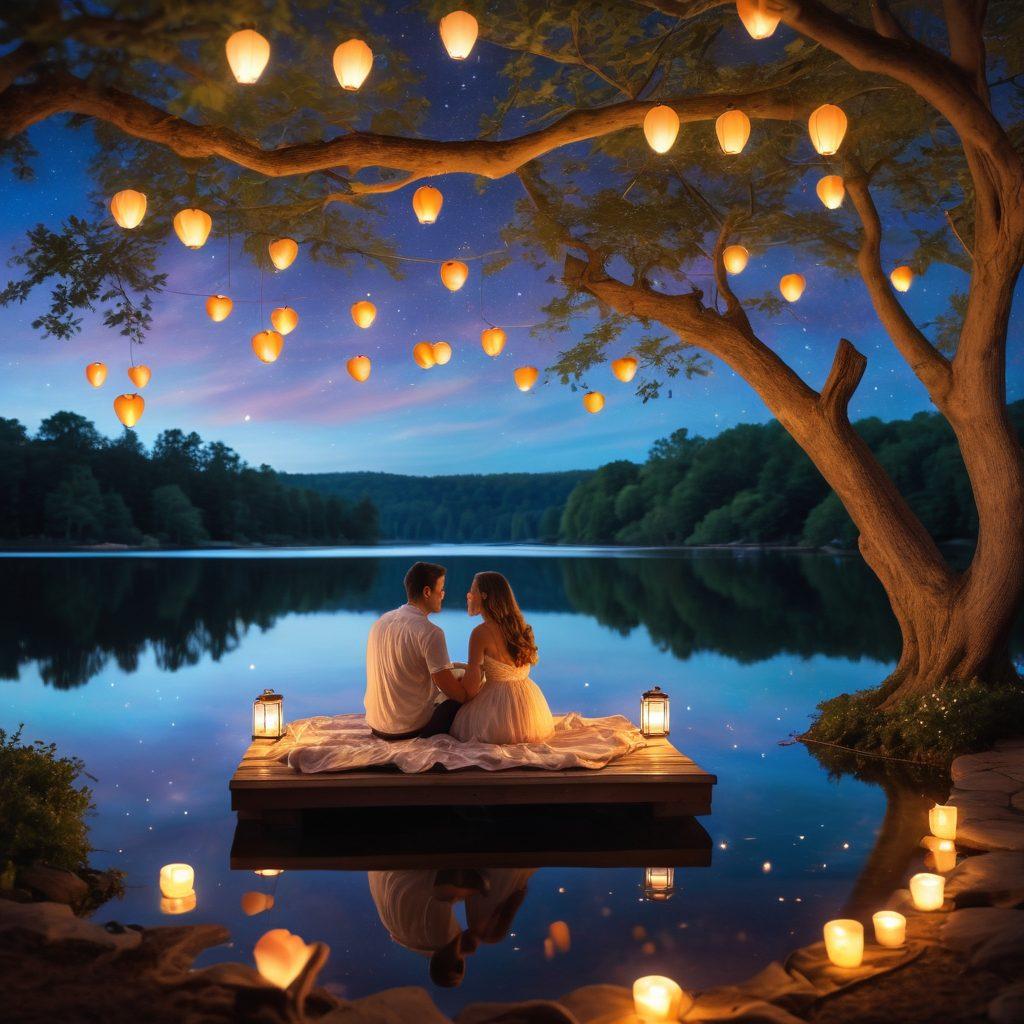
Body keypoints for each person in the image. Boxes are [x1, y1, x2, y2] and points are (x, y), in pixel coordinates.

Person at [364, 561, 469, 740]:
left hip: (377, 725)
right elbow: (454, 693)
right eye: (441, 589)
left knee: (456, 675)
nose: (443, 595)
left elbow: (408, 665)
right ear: (427, 592)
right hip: (410, 729)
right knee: (462, 699)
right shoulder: (431, 632)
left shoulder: (381, 622)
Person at [450, 572, 555, 745]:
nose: (468, 595)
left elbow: (470, 688)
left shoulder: (480, 633)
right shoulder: (521, 627)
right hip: (529, 708)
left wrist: (450, 682)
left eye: (472, 590)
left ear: (484, 595)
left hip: (499, 709)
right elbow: (503, 667)